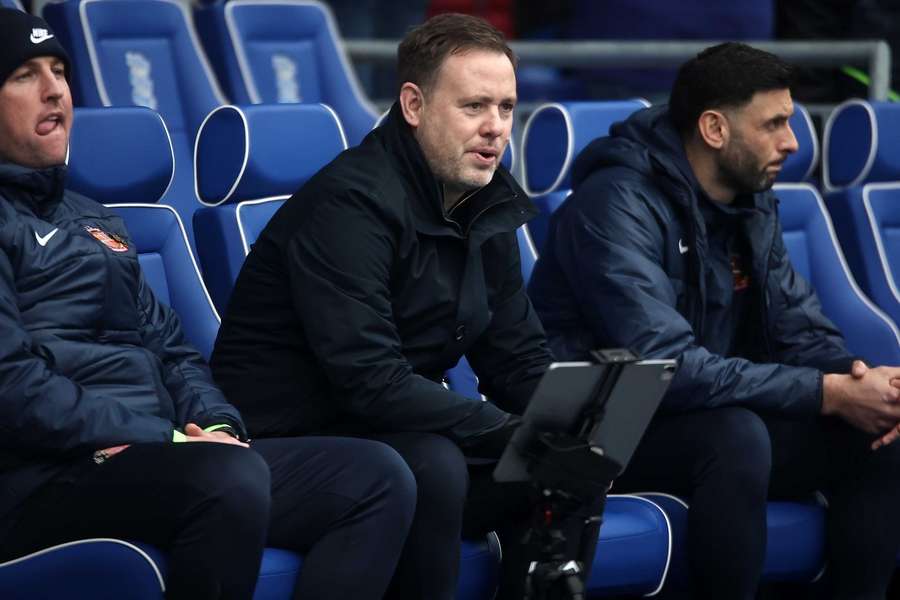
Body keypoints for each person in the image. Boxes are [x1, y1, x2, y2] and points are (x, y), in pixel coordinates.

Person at [0, 8, 418, 599]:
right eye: (23, 74)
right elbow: (12, 387)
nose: (54, 90)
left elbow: (173, 349)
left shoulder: (95, 219)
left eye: (60, 71)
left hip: (159, 455)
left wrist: (216, 425)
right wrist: (162, 437)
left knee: (376, 477)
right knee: (226, 479)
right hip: (43, 477)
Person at [211, 12, 605, 600]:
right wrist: (507, 429)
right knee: (433, 462)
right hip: (288, 439)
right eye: (474, 107)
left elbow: (517, 357)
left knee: (570, 470)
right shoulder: (349, 204)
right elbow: (369, 380)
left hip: (388, 431)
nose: (496, 128)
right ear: (414, 105)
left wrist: (572, 425)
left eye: (505, 108)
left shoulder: (483, 198)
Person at [528, 42, 900, 599]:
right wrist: (826, 393)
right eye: (774, 124)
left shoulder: (751, 202)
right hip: (590, 423)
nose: (794, 143)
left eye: (792, 122)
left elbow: (800, 328)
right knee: (735, 436)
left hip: (700, 412)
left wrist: (864, 385)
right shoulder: (614, 204)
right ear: (714, 129)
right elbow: (666, 365)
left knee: (881, 435)